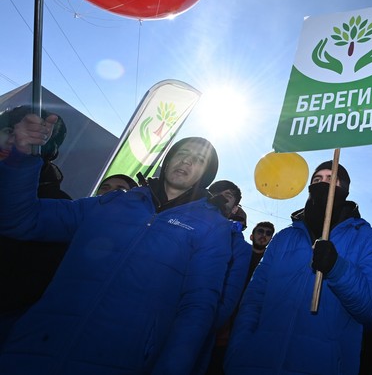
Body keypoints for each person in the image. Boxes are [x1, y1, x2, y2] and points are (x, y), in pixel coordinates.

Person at [0, 113, 232, 374]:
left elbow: (197, 308)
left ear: (207, 174)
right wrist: (24, 159)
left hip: (121, 360)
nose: (187, 160)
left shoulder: (213, 229)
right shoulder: (110, 202)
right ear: (167, 161)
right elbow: (19, 220)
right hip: (33, 350)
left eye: (199, 159)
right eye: (182, 153)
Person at [224, 161, 372, 374]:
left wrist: (337, 269)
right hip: (257, 362)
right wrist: (240, 347)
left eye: (331, 179)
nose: (322, 183)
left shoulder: (366, 237)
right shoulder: (285, 237)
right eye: (317, 180)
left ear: (344, 189)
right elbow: (255, 297)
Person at [0, 107, 70, 346]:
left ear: (48, 148)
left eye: (35, 136)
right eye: (9, 130)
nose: (15, 139)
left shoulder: (57, 206)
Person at [198, 180, 252, 375]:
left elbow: (228, 298)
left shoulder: (239, 248)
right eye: (216, 193)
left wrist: (199, 327)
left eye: (227, 196)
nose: (220, 197)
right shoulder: (181, 223)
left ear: (235, 209)